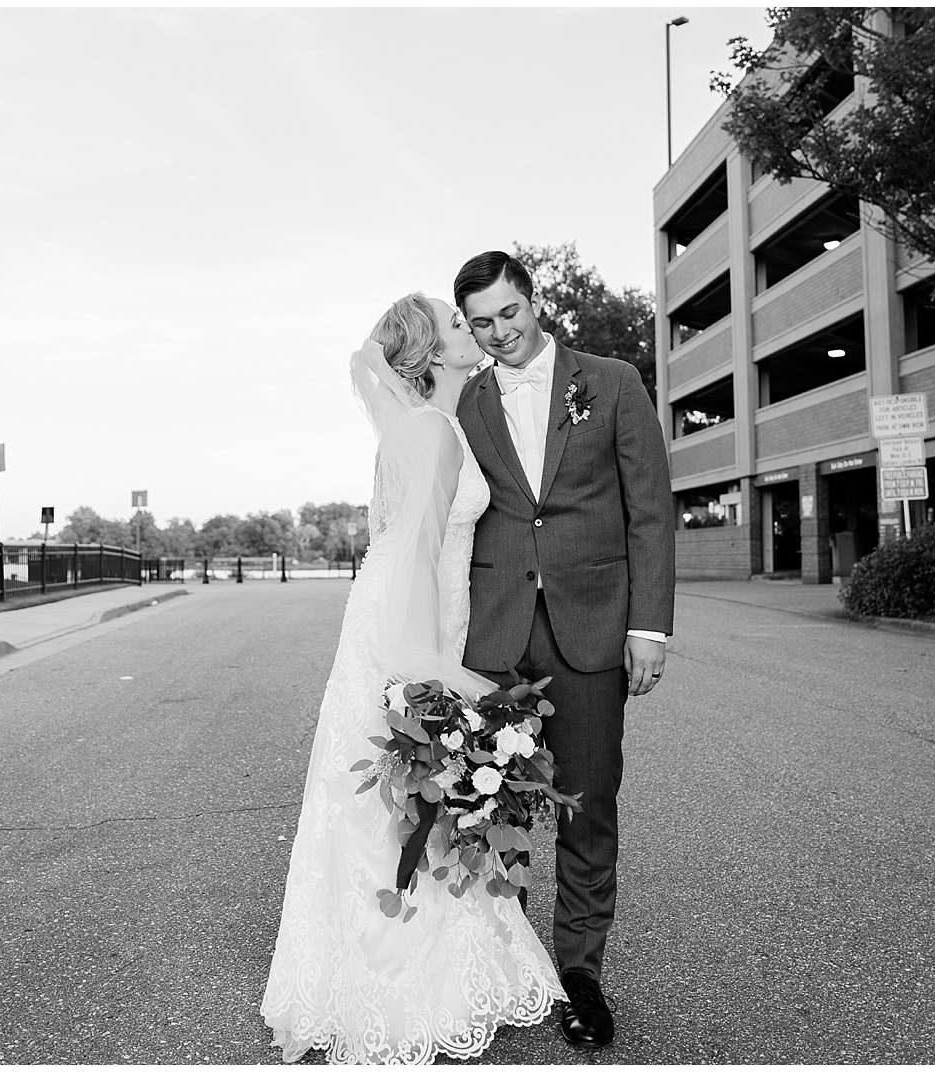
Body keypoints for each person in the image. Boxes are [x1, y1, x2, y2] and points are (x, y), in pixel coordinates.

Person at [260, 293, 565, 1064]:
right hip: (409, 621)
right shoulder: (430, 431)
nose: (477, 330)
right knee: (398, 799)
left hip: (411, 608)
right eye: (460, 325)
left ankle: (376, 975)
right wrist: (437, 670)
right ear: (434, 354)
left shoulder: (430, 424)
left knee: (383, 803)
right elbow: (419, 555)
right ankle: (395, 993)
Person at [453, 250, 677, 1050]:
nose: (499, 333)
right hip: (496, 634)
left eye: (508, 313)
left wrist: (649, 626)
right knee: (494, 803)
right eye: (482, 323)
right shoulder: (469, 400)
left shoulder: (611, 380)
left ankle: (581, 973)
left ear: (534, 300)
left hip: (592, 627)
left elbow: (650, 507)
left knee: (587, 803)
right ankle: (513, 966)